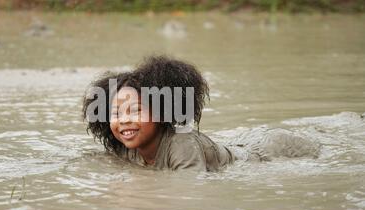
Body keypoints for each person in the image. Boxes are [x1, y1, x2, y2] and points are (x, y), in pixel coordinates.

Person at [82, 56, 319, 171]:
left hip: (274, 150)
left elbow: (190, 190)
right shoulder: (126, 147)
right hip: (244, 142)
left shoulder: (181, 144)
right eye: (115, 113)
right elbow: (97, 160)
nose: (123, 120)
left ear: (164, 111)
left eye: (135, 110)